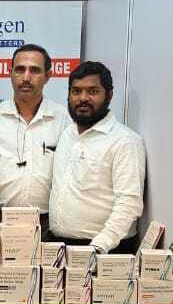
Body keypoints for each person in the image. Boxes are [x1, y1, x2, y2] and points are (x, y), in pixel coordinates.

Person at [49, 61, 146, 253]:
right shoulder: (67, 134)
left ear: (109, 95)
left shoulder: (125, 141)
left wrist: (99, 246)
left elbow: (129, 203)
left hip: (105, 250)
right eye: (76, 91)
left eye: (92, 91)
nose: (83, 98)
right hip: (59, 245)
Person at [0, 44, 70, 235]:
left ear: (48, 76)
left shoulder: (63, 121)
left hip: (47, 224)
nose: (26, 77)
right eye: (20, 70)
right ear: (10, 74)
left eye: (34, 70)